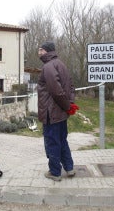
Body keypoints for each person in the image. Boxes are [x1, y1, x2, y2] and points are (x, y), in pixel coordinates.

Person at [37, 41, 77, 181]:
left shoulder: (48, 67)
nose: (39, 52)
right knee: (62, 140)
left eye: (41, 50)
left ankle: (55, 172)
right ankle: (69, 168)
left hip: (51, 114)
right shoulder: (61, 64)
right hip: (61, 113)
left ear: (47, 51)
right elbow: (71, 87)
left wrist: (67, 106)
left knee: (52, 142)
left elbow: (56, 91)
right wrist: (70, 104)